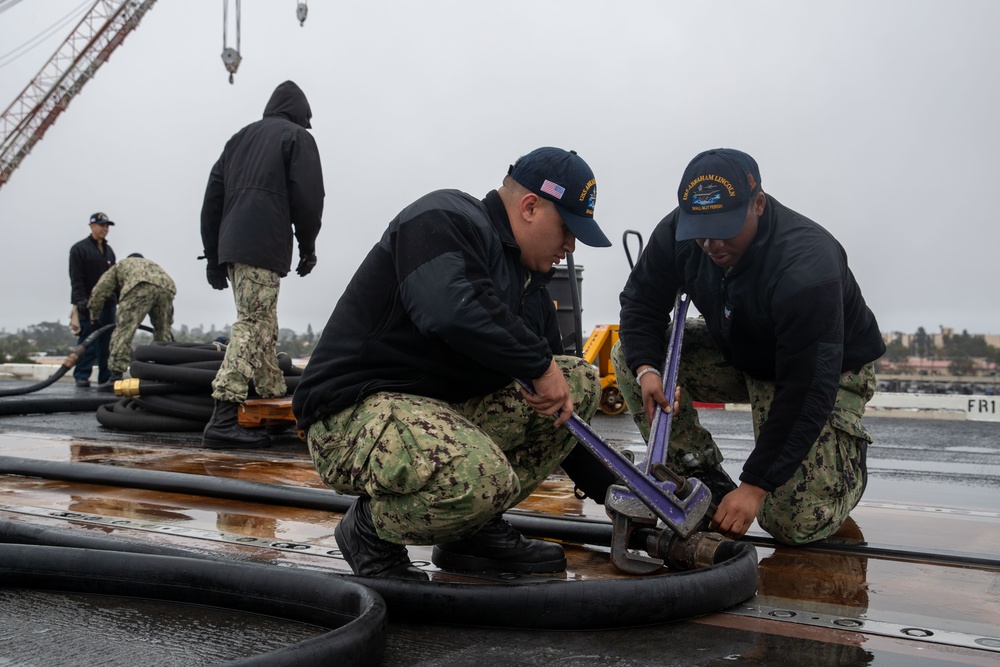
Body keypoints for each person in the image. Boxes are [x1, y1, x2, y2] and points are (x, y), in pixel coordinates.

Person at [293, 147, 611, 579]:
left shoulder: (531, 287)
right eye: (567, 229)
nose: (570, 246)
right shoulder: (444, 218)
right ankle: (370, 531)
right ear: (530, 206)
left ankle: (472, 528)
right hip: (351, 416)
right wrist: (540, 365)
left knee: (578, 382)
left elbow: (560, 414)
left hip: (434, 415)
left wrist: (621, 496)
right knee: (481, 476)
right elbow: (448, 308)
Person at [612, 148, 886, 546]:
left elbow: (808, 385)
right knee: (631, 354)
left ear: (758, 204)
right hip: (740, 348)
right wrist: (648, 371)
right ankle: (697, 469)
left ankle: (843, 471)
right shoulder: (681, 233)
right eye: (700, 231)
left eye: (724, 228)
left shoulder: (806, 264)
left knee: (793, 524)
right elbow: (641, 301)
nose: (711, 243)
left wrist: (755, 486)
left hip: (823, 370)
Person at [199, 80, 325, 449]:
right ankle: (223, 416)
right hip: (262, 240)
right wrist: (308, 245)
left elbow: (212, 198)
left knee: (264, 323)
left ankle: (272, 407)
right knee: (254, 324)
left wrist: (212, 255)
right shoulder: (296, 137)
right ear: (300, 112)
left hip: (232, 243)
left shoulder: (239, 139)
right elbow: (309, 196)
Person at [87, 253, 176, 385]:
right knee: (163, 332)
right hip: (167, 287)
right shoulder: (151, 265)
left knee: (124, 330)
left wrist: (94, 317)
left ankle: (115, 376)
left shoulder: (120, 265)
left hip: (139, 285)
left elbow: (100, 291)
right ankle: (163, 373)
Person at [69, 212, 117, 388]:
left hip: (109, 303)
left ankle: (105, 377)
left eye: (107, 226)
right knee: (88, 339)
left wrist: (117, 299)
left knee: (107, 341)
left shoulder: (109, 251)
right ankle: (82, 375)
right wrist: (80, 300)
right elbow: (76, 278)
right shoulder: (79, 249)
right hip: (88, 303)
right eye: (102, 225)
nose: (105, 229)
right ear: (91, 226)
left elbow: (115, 279)